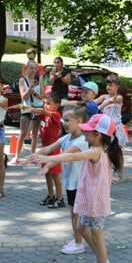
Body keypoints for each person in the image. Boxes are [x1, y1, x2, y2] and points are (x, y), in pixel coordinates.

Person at [29, 114, 123, 263]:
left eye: (88, 130)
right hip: (90, 199)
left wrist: (49, 159)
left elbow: (72, 157)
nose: (84, 132)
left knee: (98, 237)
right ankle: (101, 261)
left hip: (95, 202)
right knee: (80, 227)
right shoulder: (99, 149)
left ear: (98, 135)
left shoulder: (95, 151)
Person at [34, 106, 90, 254]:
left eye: (67, 120)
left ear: (79, 121)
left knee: (77, 215)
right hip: (72, 183)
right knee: (74, 214)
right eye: (63, 120)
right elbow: (48, 149)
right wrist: (35, 157)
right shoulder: (66, 137)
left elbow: (64, 155)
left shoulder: (82, 140)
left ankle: (80, 243)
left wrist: (47, 162)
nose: (63, 123)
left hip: (80, 184)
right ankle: (78, 239)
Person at [23, 93, 64, 207]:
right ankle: (50, 195)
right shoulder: (45, 116)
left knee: (55, 175)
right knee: (47, 174)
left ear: (56, 105)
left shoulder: (56, 114)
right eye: (44, 103)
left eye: (48, 103)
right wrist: (23, 107)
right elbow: (39, 113)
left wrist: (34, 109)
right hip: (45, 150)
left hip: (53, 150)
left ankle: (60, 198)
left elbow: (43, 112)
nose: (45, 106)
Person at [95, 74, 128, 181]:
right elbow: (95, 101)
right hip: (105, 128)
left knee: (117, 151)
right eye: (107, 85)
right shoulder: (104, 96)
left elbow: (110, 101)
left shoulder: (119, 97)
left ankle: (120, 173)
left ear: (117, 86)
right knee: (106, 150)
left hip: (116, 128)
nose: (108, 87)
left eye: (111, 85)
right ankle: (107, 172)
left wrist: (99, 107)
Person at [11, 60, 44, 164]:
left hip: (37, 108)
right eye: (31, 68)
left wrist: (34, 92)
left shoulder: (40, 79)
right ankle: (16, 157)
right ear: (27, 68)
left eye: (35, 68)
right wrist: (30, 88)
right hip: (26, 109)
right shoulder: (22, 80)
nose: (33, 70)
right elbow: (23, 96)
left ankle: (33, 156)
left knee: (35, 134)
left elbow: (42, 96)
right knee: (22, 133)